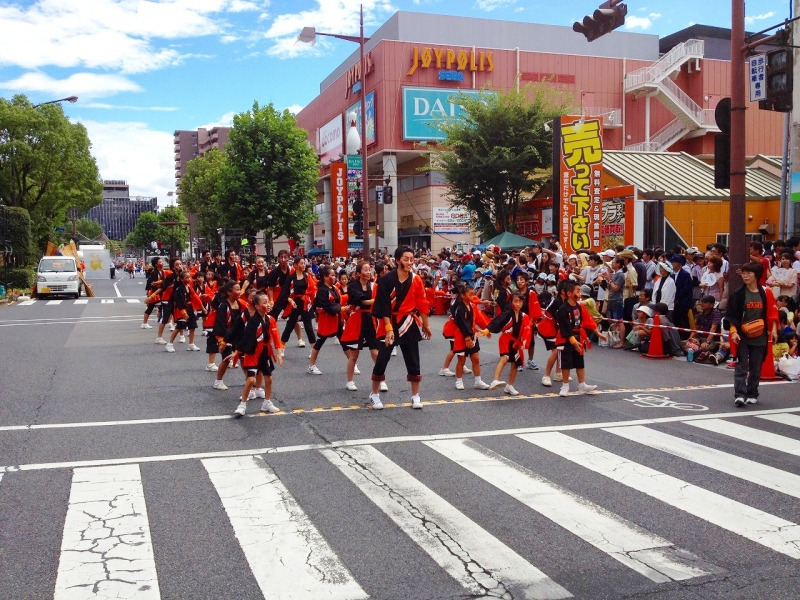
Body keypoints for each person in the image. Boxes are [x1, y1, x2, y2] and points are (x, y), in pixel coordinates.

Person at [369, 245, 432, 410]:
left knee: (413, 359)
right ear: (397, 261)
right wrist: (389, 328)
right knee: (382, 359)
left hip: (408, 322)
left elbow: (422, 303)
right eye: (406, 259)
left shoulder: (416, 279)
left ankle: (415, 396)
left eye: (412, 259)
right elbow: (382, 306)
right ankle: (374, 394)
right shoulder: (385, 280)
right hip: (388, 321)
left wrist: (426, 324)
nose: (410, 262)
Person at [726, 261, 779, 407]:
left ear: (756, 275)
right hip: (742, 335)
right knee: (741, 366)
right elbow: (732, 316)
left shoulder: (766, 292)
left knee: (756, 367)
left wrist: (774, 330)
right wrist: (734, 332)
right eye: (743, 273)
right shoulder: (738, 294)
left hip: (760, 335)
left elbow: (773, 313)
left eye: (748, 273)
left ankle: (752, 393)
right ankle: (740, 395)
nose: (745, 276)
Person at [229, 290, 283, 417]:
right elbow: (246, 337)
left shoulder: (271, 319)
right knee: (250, 379)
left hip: (265, 351)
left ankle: (267, 403)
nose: (268, 305)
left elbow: (276, 337)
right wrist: (237, 352)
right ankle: (242, 405)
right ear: (257, 306)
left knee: (269, 378)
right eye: (265, 303)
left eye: (268, 302)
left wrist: (279, 353)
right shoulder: (253, 321)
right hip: (253, 352)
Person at [556, 280, 606, 397]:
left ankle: (582, 385)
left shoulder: (580, 306)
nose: (580, 294)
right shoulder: (563, 309)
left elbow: (588, 319)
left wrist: (597, 332)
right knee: (566, 363)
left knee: (580, 363)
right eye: (577, 291)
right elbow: (565, 328)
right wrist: (573, 342)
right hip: (566, 338)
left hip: (579, 336)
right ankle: (565, 386)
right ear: (569, 293)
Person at [486, 292, 532, 395]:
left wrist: (524, 340)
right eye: (516, 301)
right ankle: (495, 380)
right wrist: (487, 330)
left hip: (516, 342)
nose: (518, 304)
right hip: (506, 339)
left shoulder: (524, 316)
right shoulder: (507, 313)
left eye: (520, 301)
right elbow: (497, 322)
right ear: (511, 302)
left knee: (515, 364)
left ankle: (509, 386)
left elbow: (527, 329)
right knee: (504, 358)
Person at [449, 281, 492, 391]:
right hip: (462, 336)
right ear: (463, 296)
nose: (473, 296)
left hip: (472, 334)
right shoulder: (459, 308)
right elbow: (462, 324)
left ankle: (478, 381)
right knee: (461, 360)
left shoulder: (472, 306)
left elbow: (479, 318)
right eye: (470, 295)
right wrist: (467, 338)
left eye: (473, 294)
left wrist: (486, 329)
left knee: (476, 359)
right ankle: (459, 380)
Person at [307, 265, 348, 375]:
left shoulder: (334, 288)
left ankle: (352, 363)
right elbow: (328, 307)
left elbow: (340, 300)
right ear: (325, 277)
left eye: (335, 275)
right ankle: (311, 365)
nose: (334, 277)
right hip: (326, 321)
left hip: (337, 320)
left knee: (344, 341)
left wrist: (350, 296)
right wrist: (342, 308)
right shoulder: (322, 291)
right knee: (319, 342)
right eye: (332, 275)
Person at [277, 256, 317, 350]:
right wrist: (290, 300)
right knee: (290, 325)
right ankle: (281, 348)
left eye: (304, 263)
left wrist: (309, 297)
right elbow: (284, 292)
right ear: (295, 265)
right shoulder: (290, 278)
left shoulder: (307, 276)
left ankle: (313, 349)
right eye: (301, 263)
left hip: (305, 303)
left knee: (308, 327)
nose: (303, 265)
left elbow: (313, 288)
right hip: (294, 303)